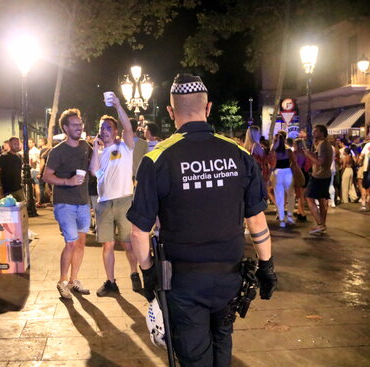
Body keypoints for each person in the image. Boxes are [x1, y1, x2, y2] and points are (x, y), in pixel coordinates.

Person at [127, 73, 276, 366]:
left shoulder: (157, 159)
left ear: (171, 113)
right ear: (208, 108)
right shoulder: (237, 153)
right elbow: (257, 220)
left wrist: (148, 273)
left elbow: (138, 232)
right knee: (223, 343)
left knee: (194, 358)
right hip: (230, 277)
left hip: (183, 282)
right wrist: (267, 267)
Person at [89, 93, 142, 296]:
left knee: (128, 244)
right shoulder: (100, 153)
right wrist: (95, 149)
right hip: (104, 204)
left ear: (116, 131)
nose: (104, 131)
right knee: (107, 245)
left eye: (108, 127)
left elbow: (128, 127)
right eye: (101, 128)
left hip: (124, 201)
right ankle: (111, 282)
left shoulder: (125, 147)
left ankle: (134, 273)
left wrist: (118, 104)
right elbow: (95, 172)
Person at [43, 109, 92, 299]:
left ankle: (74, 280)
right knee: (70, 243)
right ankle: (62, 282)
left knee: (80, 242)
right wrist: (67, 182)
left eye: (80, 124)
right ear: (65, 128)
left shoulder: (86, 146)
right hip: (64, 204)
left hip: (82, 202)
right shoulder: (57, 151)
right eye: (74, 125)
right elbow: (47, 176)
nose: (79, 128)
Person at [303, 124, 334, 235]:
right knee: (322, 199)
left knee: (309, 197)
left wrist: (308, 155)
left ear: (322, 132)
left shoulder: (323, 145)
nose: (314, 133)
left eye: (316, 131)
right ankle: (322, 224)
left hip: (319, 176)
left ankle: (320, 223)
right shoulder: (324, 144)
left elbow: (320, 162)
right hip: (324, 175)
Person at [270, 133, 296, 228]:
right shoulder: (288, 150)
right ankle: (289, 216)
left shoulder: (273, 151)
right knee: (290, 195)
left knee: (279, 196)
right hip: (287, 172)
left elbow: (271, 163)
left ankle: (281, 218)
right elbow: (294, 162)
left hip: (277, 173)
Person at [0, 137, 25, 202]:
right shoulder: (4, 156)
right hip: (7, 189)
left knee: (22, 207)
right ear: (10, 144)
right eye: (15, 144)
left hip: (18, 187)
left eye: (18, 144)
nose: (17, 146)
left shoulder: (19, 156)